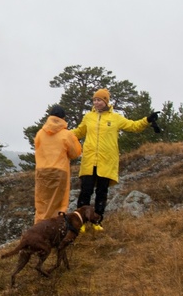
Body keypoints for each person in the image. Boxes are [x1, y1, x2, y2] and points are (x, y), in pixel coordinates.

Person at [73, 88, 158, 229]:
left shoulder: (115, 118)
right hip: (89, 160)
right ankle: (80, 222)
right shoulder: (88, 117)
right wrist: (60, 134)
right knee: (85, 191)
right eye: (94, 100)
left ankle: (97, 221)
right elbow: (78, 132)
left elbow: (133, 126)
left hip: (106, 162)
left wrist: (147, 120)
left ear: (106, 101)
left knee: (102, 192)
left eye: (99, 100)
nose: (96, 102)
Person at [33, 105, 82, 223]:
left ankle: (38, 229)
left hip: (41, 171)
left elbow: (37, 147)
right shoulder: (66, 134)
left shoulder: (40, 133)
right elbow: (75, 153)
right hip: (59, 171)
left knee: (41, 203)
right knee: (57, 203)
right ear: (63, 118)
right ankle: (53, 230)